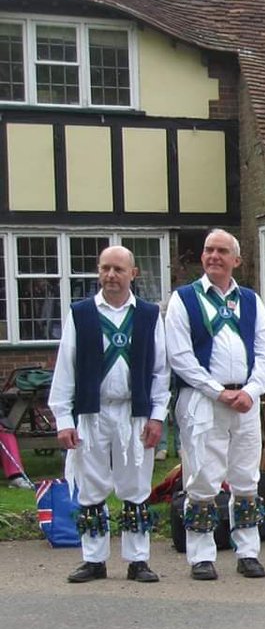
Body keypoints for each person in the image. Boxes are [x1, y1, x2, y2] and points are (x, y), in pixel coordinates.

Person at [48, 246, 170, 583]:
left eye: (118, 269)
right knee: (91, 487)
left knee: (136, 486)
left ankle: (138, 560)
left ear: (133, 273)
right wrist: (64, 420)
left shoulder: (148, 315)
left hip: (135, 415)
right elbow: (65, 369)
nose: (110, 275)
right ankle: (94, 560)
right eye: (105, 269)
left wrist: (157, 416)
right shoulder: (82, 313)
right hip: (92, 413)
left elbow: (161, 371)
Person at [166, 229, 265, 580]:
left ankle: (248, 551)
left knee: (246, 477)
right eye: (208, 250)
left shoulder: (250, 300)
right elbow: (180, 356)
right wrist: (217, 391)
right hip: (202, 401)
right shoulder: (184, 299)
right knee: (202, 476)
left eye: (222, 251)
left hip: (245, 400)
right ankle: (201, 556)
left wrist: (253, 390)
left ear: (236, 260)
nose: (214, 256)